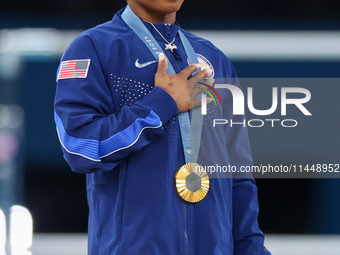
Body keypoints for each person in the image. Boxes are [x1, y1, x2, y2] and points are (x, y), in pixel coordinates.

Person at [54, 0, 271, 254]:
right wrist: (162, 104)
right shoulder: (94, 47)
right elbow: (78, 146)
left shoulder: (215, 59)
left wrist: (251, 249)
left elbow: (238, 175)